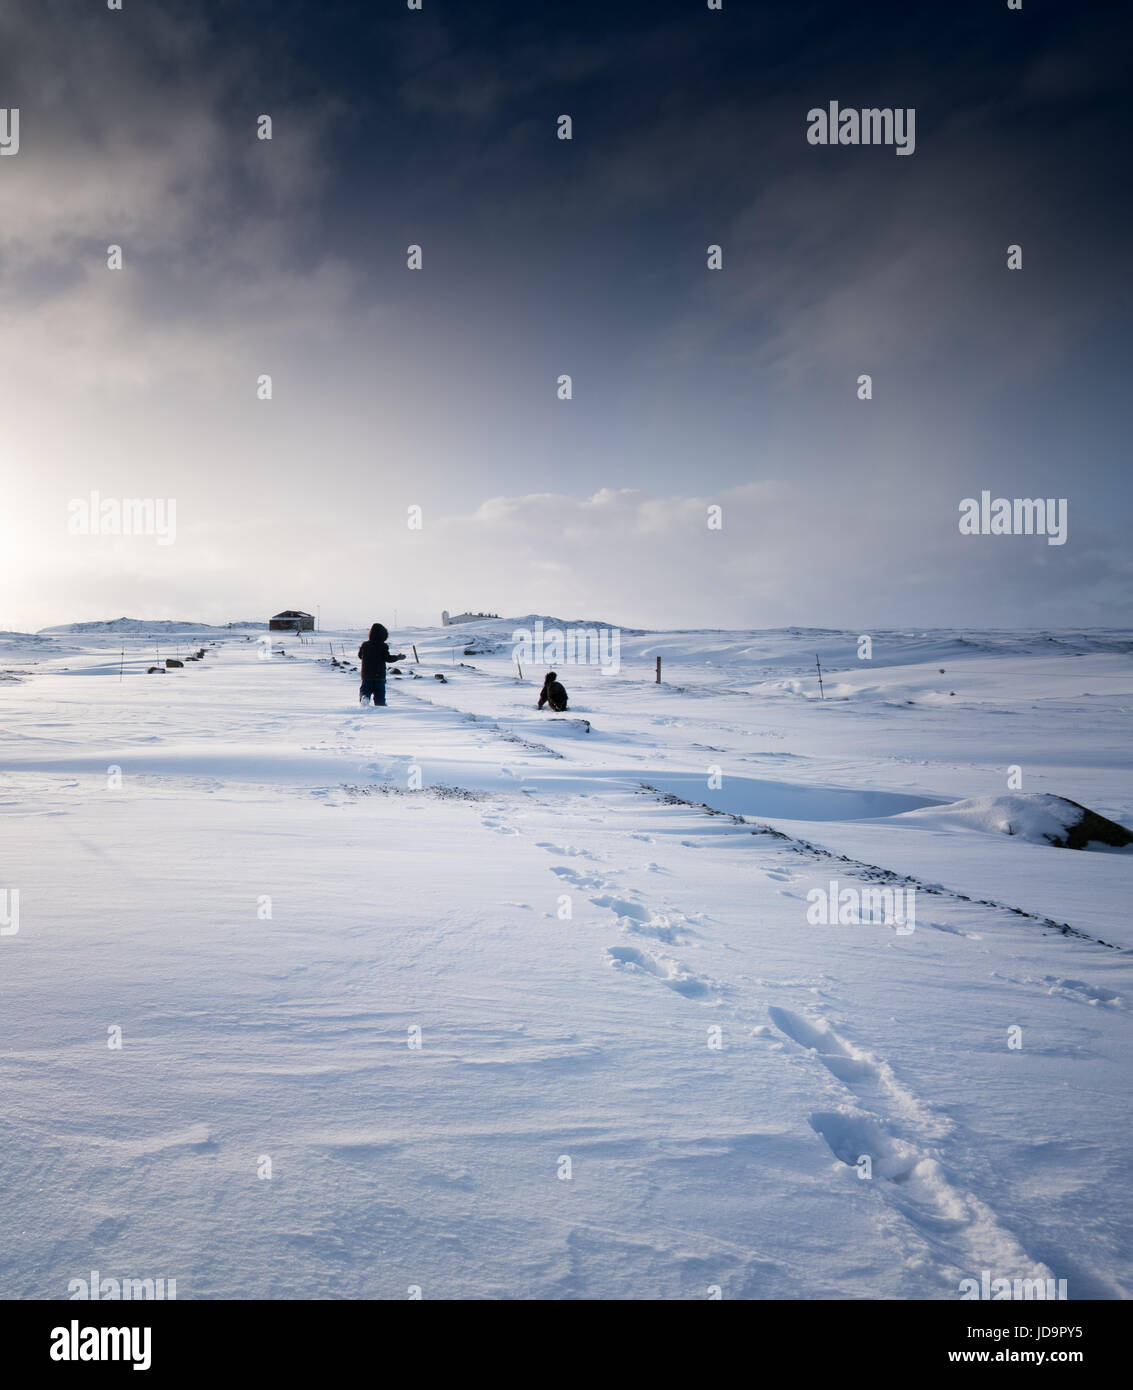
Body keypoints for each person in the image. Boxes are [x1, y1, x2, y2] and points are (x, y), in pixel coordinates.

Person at [357, 623, 406, 706]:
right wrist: (398, 657)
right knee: (379, 694)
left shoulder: (365, 645)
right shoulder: (383, 646)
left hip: (367, 674)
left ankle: (364, 698)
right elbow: (388, 658)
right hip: (379, 675)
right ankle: (381, 705)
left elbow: (360, 656)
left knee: (365, 690)